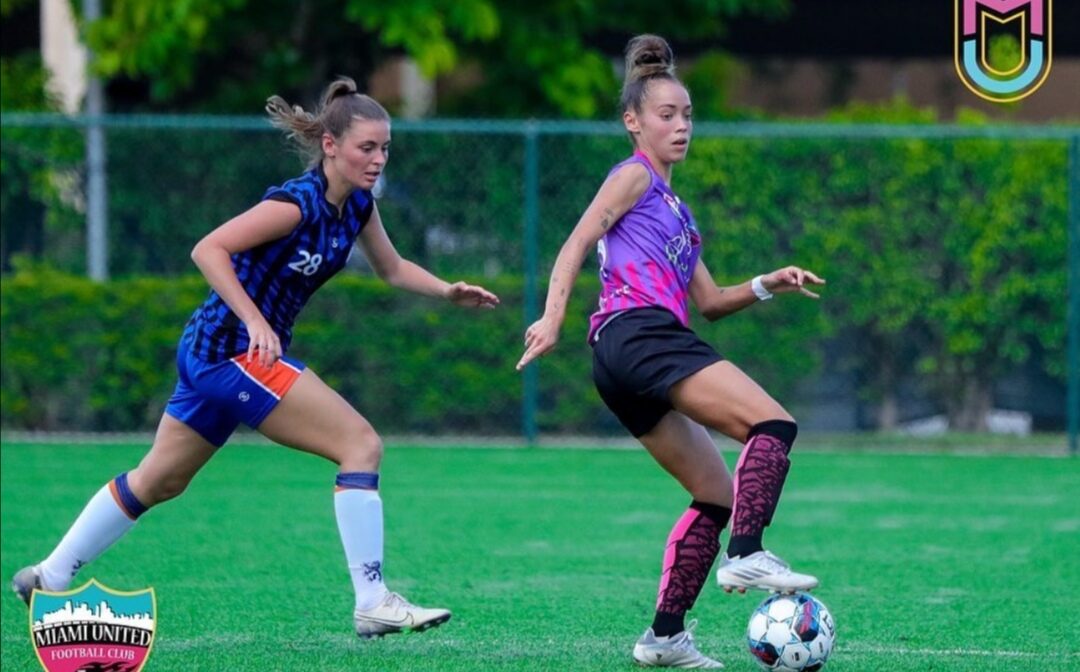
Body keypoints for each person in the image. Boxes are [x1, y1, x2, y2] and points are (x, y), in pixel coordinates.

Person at [12, 77, 499, 639]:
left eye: (385, 147)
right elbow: (208, 249)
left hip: (218, 352)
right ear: (331, 146)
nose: (378, 158)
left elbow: (391, 268)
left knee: (159, 481)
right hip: (228, 351)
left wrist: (446, 290)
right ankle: (372, 600)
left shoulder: (358, 207)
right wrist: (253, 319)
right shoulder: (295, 204)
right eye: (367, 147)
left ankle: (47, 575)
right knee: (360, 443)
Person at [515, 35, 825, 668]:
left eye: (686, 116)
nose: (680, 126)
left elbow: (709, 300)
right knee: (773, 423)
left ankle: (664, 636)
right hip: (641, 333)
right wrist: (550, 318)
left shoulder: (677, 213)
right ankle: (747, 553)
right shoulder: (633, 176)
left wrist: (769, 283)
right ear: (634, 122)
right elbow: (575, 243)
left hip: (623, 355)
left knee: (716, 491)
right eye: (666, 115)